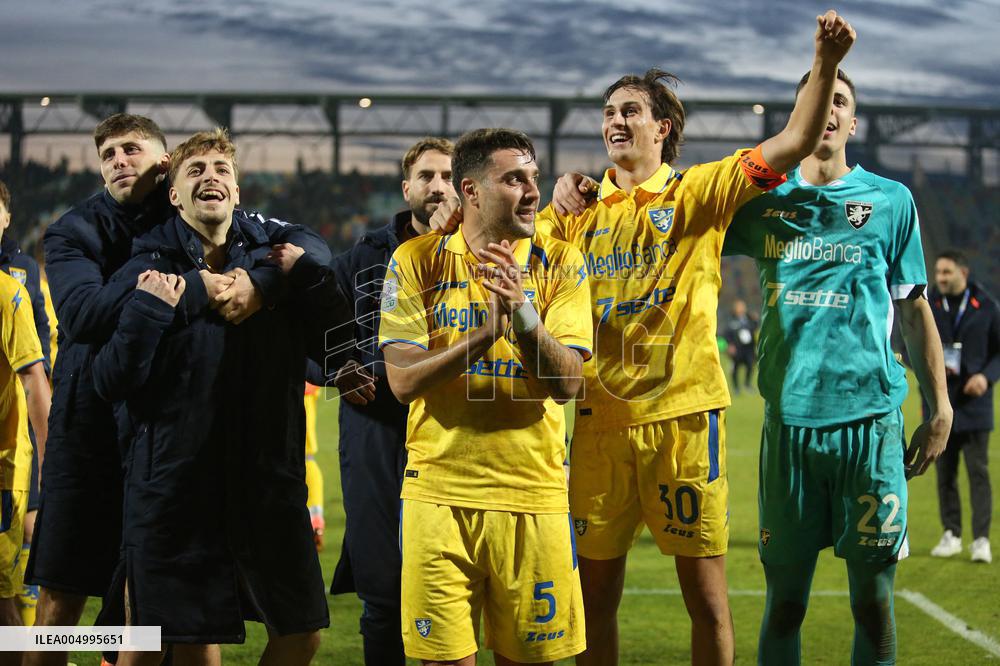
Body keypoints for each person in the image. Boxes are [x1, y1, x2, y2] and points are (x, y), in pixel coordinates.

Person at [427, 11, 856, 665]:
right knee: (593, 598)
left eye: (630, 110)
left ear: (663, 128)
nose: (615, 121)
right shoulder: (573, 215)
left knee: (706, 601)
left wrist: (824, 62)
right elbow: (477, 228)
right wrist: (530, 191)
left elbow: (795, 140)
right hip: (599, 424)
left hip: (682, 422)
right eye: (607, 112)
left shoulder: (698, 193)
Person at [25, 113, 332, 666]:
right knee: (60, 599)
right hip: (90, 432)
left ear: (164, 167)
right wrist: (190, 288)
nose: (119, 162)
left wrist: (261, 283)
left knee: (169, 622)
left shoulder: (221, 223)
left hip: (165, 439)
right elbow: (80, 314)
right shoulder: (75, 230)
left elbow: (311, 243)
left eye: (131, 150)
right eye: (108, 156)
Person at [723, 68, 952, 665]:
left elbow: (913, 309)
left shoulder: (891, 202)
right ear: (797, 118)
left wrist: (940, 407)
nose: (827, 110)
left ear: (852, 120)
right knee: (785, 604)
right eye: (815, 101)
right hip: (790, 428)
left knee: (873, 603)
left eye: (839, 101)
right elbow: (677, 217)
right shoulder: (761, 203)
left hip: (871, 426)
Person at [380, 128, 593, 665]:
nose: (532, 192)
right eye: (514, 179)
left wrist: (522, 314)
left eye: (535, 178)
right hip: (438, 497)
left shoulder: (561, 261)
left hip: (534, 496)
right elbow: (402, 381)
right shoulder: (415, 260)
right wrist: (484, 334)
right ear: (471, 191)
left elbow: (567, 384)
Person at [329, 136, 454, 666]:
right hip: (376, 431)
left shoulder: (482, 248)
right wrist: (338, 368)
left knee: (450, 589)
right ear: (407, 188)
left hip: (451, 431)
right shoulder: (364, 255)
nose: (437, 186)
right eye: (426, 176)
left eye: (448, 176)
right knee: (382, 590)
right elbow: (316, 330)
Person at [0, 179, 52, 626]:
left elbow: (38, 367)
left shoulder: (14, 283)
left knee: (3, 597)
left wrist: (49, 448)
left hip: (10, 448)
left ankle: (42, 644)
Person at [927, 250, 998, 564]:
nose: (940, 278)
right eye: (938, 272)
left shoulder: (987, 307)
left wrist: (986, 376)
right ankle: (951, 534)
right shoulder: (926, 304)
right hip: (942, 403)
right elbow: (908, 342)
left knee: (978, 472)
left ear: (963, 272)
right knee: (945, 473)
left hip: (975, 403)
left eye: (946, 272)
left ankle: (981, 539)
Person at [724, 299, 756, 394]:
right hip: (737, 349)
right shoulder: (731, 321)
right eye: (739, 307)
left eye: (743, 306)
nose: (741, 308)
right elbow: (726, 335)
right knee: (735, 369)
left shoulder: (749, 319)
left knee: (750, 366)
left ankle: (747, 385)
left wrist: (755, 320)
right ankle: (736, 388)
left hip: (748, 349)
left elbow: (755, 329)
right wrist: (728, 346)